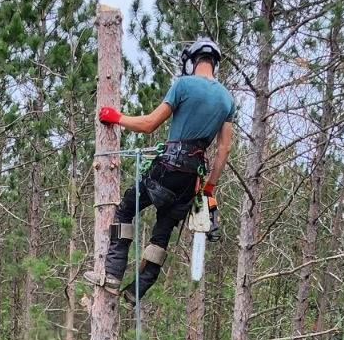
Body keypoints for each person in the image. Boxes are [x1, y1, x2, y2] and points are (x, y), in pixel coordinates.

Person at [90, 37, 236, 302]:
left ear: (193, 61)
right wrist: (210, 187)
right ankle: (138, 289)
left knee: (126, 208)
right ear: (215, 64)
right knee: (163, 230)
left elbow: (149, 124)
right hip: (192, 180)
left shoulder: (183, 85)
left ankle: (112, 275)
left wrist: (116, 117)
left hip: (168, 167)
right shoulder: (227, 100)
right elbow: (224, 149)